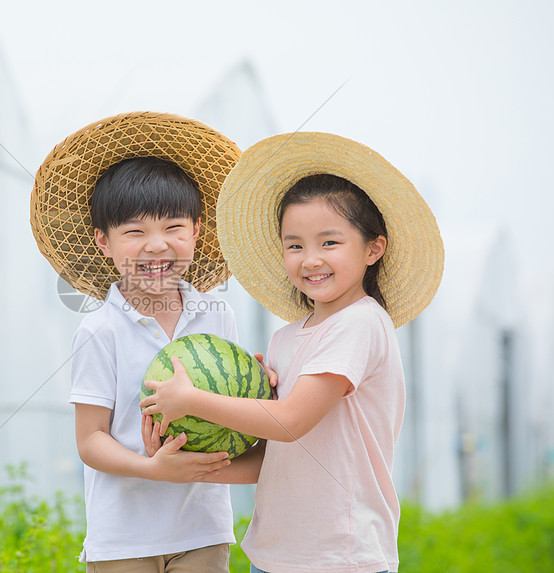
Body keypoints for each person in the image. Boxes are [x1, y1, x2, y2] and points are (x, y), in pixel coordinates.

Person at [140, 132, 444, 573]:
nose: (310, 259)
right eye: (295, 245)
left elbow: (291, 422)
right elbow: (273, 457)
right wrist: (184, 460)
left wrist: (190, 400)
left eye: (330, 242)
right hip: (274, 555)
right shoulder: (285, 339)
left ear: (373, 248)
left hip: (342, 556)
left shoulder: (361, 323)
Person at [30, 112, 244, 572]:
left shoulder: (218, 316)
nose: (156, 246)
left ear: (197, 230)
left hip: (203, 531)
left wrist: (260, 386)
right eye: (134, 232)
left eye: (173, 228)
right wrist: (152, 469)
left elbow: (233, 414)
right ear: (103, 242)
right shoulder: (99, 330)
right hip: (123, 540)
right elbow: (90, 439)